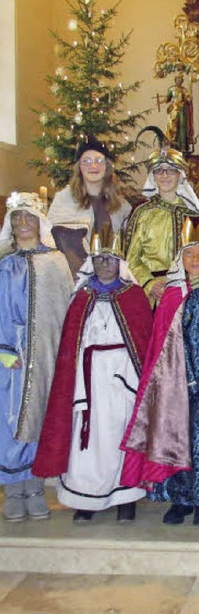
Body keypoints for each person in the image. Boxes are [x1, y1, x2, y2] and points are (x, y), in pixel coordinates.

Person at [121, 220, 199, 526]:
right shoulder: (171, 294)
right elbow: (161, 342)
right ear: (179, 259)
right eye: (189, 254)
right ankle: (179, 500)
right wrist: (176, 374)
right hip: (174, 383)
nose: (195, 260)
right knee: (174, 436)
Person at [32, 233, 153, 523]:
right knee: (86, 438)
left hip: (123, 378)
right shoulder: (81, 297)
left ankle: (126, 496)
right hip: (86, 381)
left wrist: (135, 381)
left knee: (122, 433)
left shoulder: (134, 296)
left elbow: (143, 343)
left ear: (120, 263)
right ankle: (85, 497)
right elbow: (70, 345)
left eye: (111, 259)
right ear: (92, 262)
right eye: (99, 259)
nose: (105, 264)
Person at [0, 192, 73, 522]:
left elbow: (65, 307)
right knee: (11, 417)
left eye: (29, 218)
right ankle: (13, 488)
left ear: (40, 222)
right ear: (10, 225)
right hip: (10, 355)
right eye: (17, 219)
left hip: (46, 352)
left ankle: (34, 486)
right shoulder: (4, 265)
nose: (23, 223)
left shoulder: (56, 262)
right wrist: (4, 352)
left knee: (41, 415)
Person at [124, 144, 199, 307]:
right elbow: (131, 258)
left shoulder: (194, 214)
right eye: (159, 170)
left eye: (171, 170)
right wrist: (150, 284)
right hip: (152, 295)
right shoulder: (142, 213)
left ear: (180, 175)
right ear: (153, 176)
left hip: (188, 292)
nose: (165, 175)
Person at [48, 136, 131, 277]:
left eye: (98, 161)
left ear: (107, 166)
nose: (93, 166)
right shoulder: (64, 200)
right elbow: (59, 244)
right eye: (86, 161)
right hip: (76, 276)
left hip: (112, 277)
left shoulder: (121, 205)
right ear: (79, 168)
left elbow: (128, 244)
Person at [164, 74, 194, 155]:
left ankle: (183, 146)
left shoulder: (184, 90)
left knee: (182, 127)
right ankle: (173, 144)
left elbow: (188, 99)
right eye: (178, 79)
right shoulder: (171, 89)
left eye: (180, 79)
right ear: (175, 80)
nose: (179, 80)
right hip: (174, 110)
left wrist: (189, 99)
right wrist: (163, 100)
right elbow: (167, 99)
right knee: (173, 127)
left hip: (182, 111)